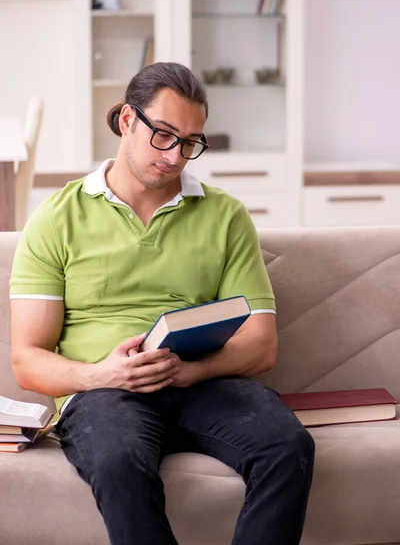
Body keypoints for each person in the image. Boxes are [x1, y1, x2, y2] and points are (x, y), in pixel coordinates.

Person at [10, 62, 314, 545]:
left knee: (288, 446)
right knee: (118, 463)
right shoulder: (55, 218)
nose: (176, 156)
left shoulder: (225, 215)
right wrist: (104, 375)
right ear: (128, 120)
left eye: (190, 142)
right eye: (164, 135)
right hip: (104, 392)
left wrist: (189, 371)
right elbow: (28, 360)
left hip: (203, 381)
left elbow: (261, 344)